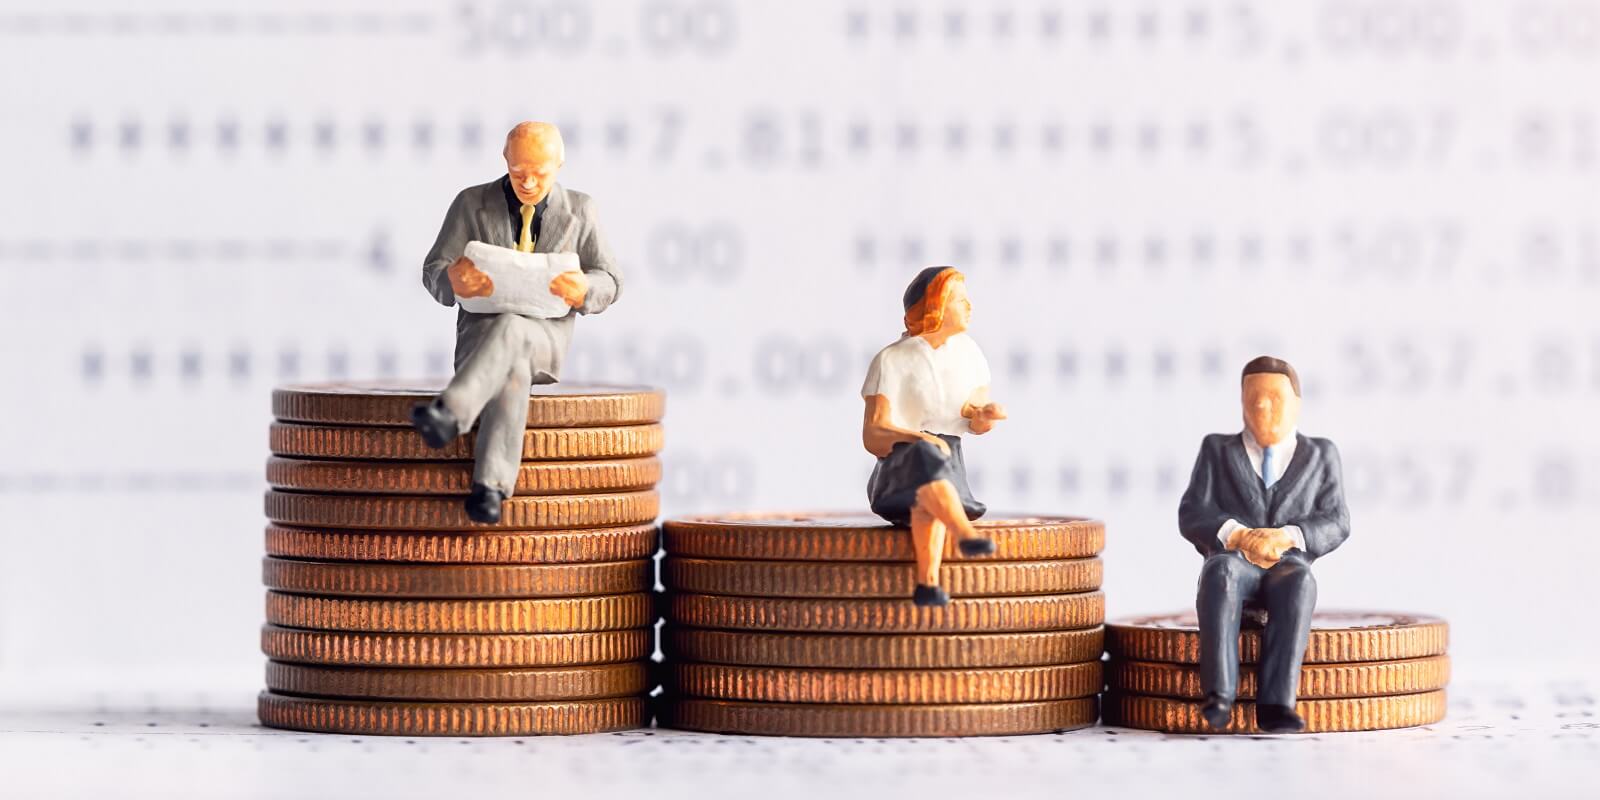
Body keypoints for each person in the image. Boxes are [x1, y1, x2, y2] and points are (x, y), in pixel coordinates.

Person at [410, 122, 622, 523]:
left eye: (539, 173)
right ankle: (489, 490)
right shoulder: (470, 203)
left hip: (547, 338)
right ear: (505, 160)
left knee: (514, 327)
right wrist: (453, 279)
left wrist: (584, 289)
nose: (528, 182)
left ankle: (451, 413)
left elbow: (611, 279)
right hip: (479, 340)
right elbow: (434, 270)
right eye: (518, 171)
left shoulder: (581, 210)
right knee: (513, 373)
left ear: (559, 164)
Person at [1177, 356, 1351, 733]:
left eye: (1274, 398)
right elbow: (1192, 512)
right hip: (1237, 558)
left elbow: (1337, 520)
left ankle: (1276, 703)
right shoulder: (1216, 450)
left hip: (1288, 562)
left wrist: (1289, 535)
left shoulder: (1321, 455)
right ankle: (1218, 695)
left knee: (1300, 583)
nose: (1261, 407)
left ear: (1297, 404)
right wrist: (1236, 534)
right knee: (1219, 570)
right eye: (1252, 399)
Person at [860, 266, 1006, 607]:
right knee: (927, 462)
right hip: (899, 463)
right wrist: (917, 439)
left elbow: (972, 415)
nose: (969, 306)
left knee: (929, 498)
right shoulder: (891, 360)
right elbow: (873, 433)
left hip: (949, 461)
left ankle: (927, 583)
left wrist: (983, 417)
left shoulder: (970, 354)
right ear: (934, 306)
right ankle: (965, 535)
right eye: (959, 300)